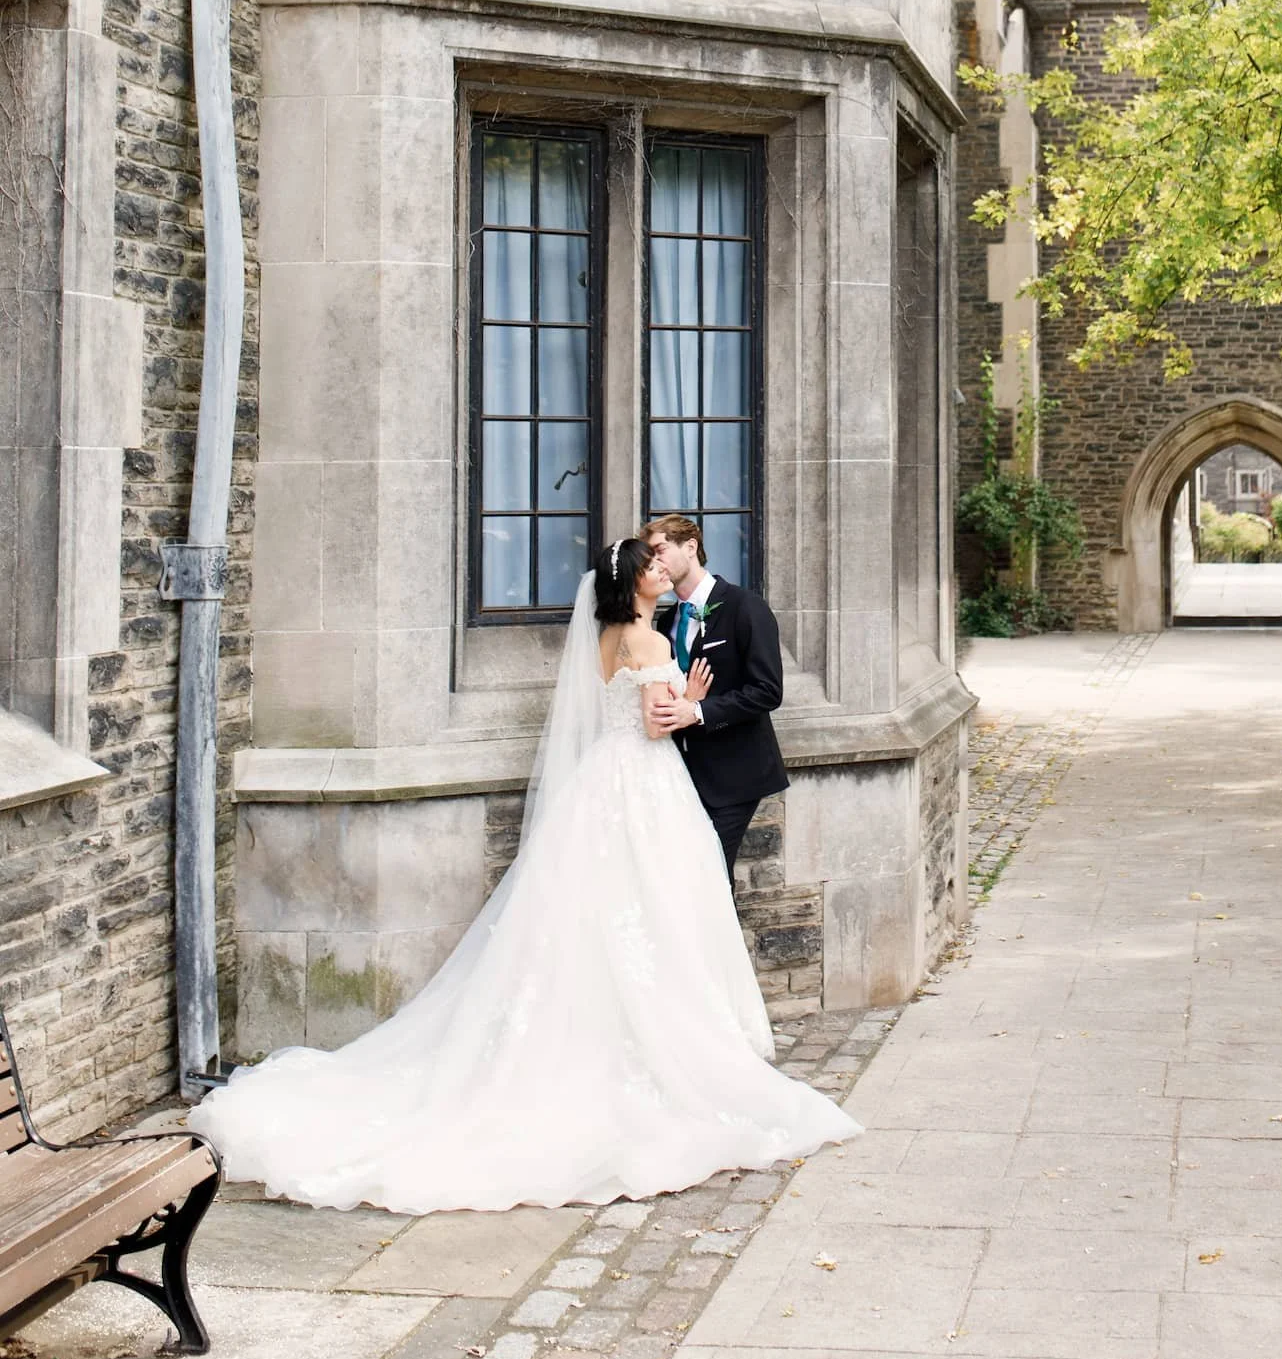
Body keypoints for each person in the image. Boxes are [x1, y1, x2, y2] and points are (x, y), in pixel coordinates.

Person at [188, 539, 857, 1214]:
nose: (662, 570)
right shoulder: (648, 643)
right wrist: (688, 695)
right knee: (655, 911)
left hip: (602, 781)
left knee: (594, 913)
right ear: (634, 585)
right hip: (643, 785)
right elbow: (657, 728)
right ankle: (658, 1049)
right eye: (651, 567)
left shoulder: (606, 638)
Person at [643, 515, 787, 885]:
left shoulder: (744, 607)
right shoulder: (665, 623)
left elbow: (768, 690)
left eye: (659, 550)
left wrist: (699, 711)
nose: (654, 562)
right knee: (691, 882)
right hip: (682, 774)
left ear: (690, 546)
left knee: (708, 879)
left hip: (736, 772)